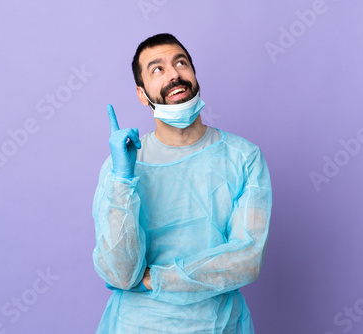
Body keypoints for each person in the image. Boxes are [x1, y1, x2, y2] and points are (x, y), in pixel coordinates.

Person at [92, 33, 272, 333]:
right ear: (141, 93)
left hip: (218, 324)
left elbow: (246, 259)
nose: (174, 74)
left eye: (181, 63)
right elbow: (121, 274)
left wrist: (158, 279)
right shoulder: (121, 167)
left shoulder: (244, 157)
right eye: (157, 69)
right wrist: (123, 181)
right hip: (138, 325)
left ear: (194, 75)